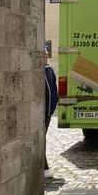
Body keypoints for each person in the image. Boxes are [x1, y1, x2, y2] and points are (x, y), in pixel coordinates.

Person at [44, 50, 58, 179]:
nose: (46, 56)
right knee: (41, 141)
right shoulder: (41, 71)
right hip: (42, 112)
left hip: (48, 112)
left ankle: (45, 168)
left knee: (43, 140)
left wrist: (52, 107)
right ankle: (45, 168)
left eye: (46, 54)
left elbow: (53, 89)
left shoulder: (49, 70)